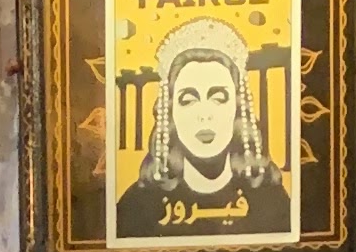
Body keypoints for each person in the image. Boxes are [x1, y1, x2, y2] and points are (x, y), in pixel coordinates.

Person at [114, 14, 294, 240]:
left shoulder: (270, 200)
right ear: (170, 112)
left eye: (218, 98)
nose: (204, 115)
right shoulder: (136, 205)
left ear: (237, 109)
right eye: (188, 100)